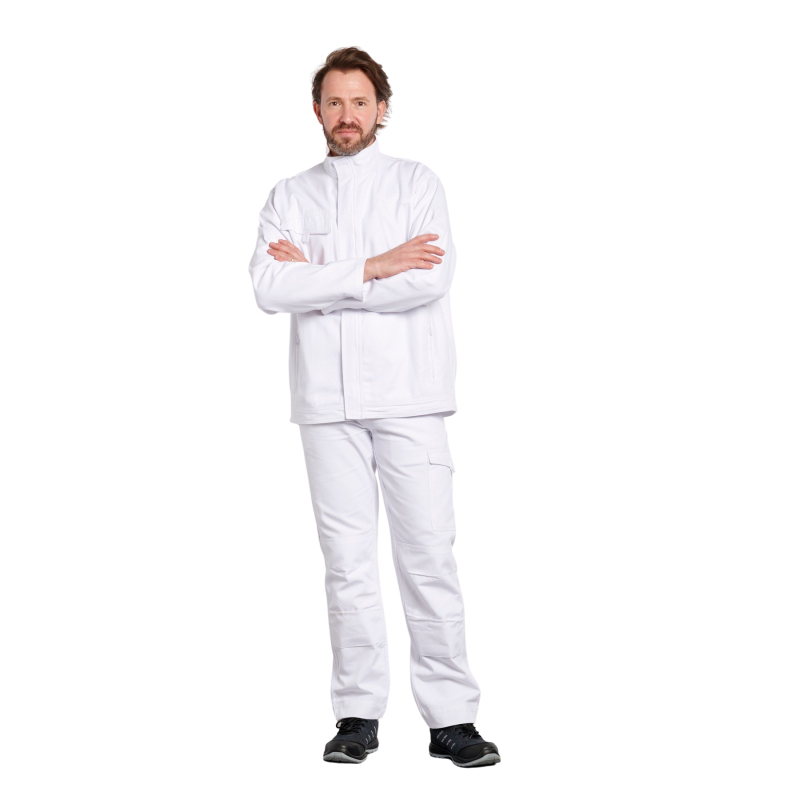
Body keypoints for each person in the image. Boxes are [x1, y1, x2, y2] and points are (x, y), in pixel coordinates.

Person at [247, 45, 501, 769]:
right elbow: (268, 290)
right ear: (316, 111)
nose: (347, 114)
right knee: (347, 564)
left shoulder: (417, 182)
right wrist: (372, 266)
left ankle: (452, 717)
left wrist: (321, 281)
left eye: (360, 101)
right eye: (334, 101)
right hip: (325, 405)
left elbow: (428, 280)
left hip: (410, 397)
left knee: (428, 556)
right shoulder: (289, 194)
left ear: (383, 110)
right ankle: (358, 713)